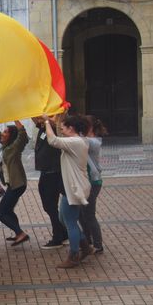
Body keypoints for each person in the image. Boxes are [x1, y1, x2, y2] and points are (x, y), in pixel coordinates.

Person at [43, 114, 92, 268]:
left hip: (73, 189)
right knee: (64, 219)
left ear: (71, 128)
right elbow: (58, 136)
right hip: (72, 187)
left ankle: (74, 255)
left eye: (64, 127)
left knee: (69, 222)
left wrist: (46, 121)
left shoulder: (76, 142)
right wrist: (57, 119)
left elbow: (53, 140)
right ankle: (84, 246)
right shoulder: (77, 141)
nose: (61, 130)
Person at [0, 121, 30, 246]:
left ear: (11, 135)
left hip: (17, 185)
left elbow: (22, 136)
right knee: (8, 210)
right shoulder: (6, 145)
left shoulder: (14, 147)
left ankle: (20, 233)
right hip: (13, 185)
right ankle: (18, 233)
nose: (2, 134)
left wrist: (15, 118)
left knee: (1, 213)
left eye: (6, 132)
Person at [32, 116, 68, 249]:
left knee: (50, 205)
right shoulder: (43, 128)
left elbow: (56, 122)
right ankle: (62, 232)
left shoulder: (54, 131)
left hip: (52, 173)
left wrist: (49, 119)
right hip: (46, 172)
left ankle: (58, 235)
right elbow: (35, 118)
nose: (41, 119)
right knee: (49, 206)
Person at [80, 116, 107, 254]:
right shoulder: (87, 140)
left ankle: (97, 245)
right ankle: (88, 240)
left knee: (89, 214)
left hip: (93, 182)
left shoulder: (93, 142)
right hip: (89, 182)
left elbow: (77, 140)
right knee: (83, 213)